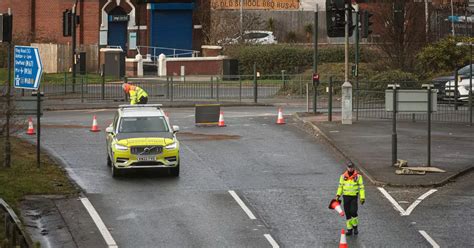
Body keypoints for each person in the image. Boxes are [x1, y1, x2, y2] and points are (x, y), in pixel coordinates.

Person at [335, 161, 365, 236]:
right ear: (347, 167)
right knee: (348, 214)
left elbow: (361, 188)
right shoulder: (342, 176)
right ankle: (349, 229)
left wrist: (362, 197)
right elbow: (340, 187)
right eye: (349, 167)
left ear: (353, 168)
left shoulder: (358, 176)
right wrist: (338, 195)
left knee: (353, 212)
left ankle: (355, 227)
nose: (350, 168)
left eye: (351, 167)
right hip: (346, 197)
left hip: (354, 197)